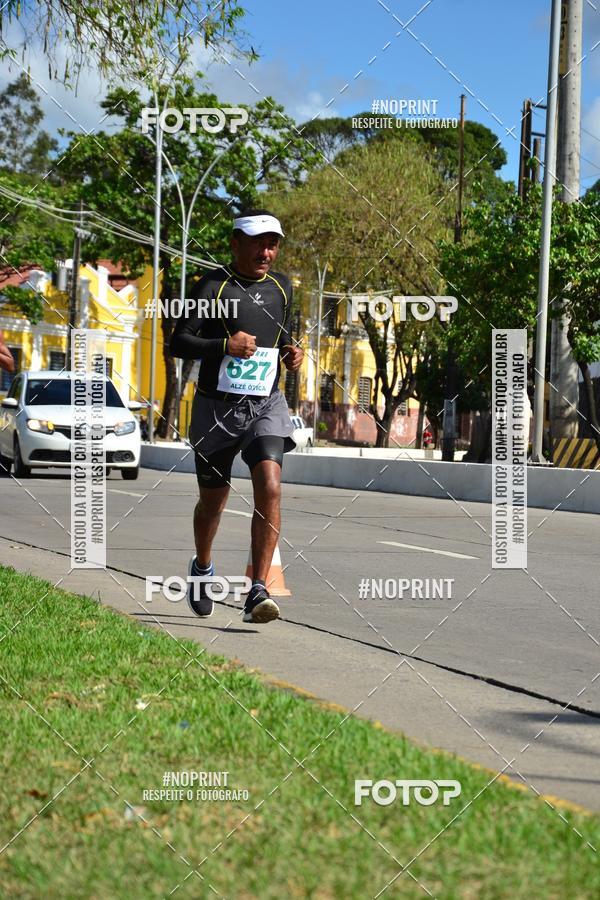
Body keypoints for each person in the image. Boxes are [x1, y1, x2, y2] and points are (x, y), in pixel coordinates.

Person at [170, 209, 303, 624]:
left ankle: (257, 589)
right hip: (216, 409)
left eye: (273, 243)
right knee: (213, 502)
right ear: (235, 243)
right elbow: (179, 342)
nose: (267, 251)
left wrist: (292, 351)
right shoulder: (211, 285)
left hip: (265, 404)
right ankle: (203, 568)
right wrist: (223, 346)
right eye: (258, 242)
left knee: (270, 483)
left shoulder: (282, 286)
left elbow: (284, 333)